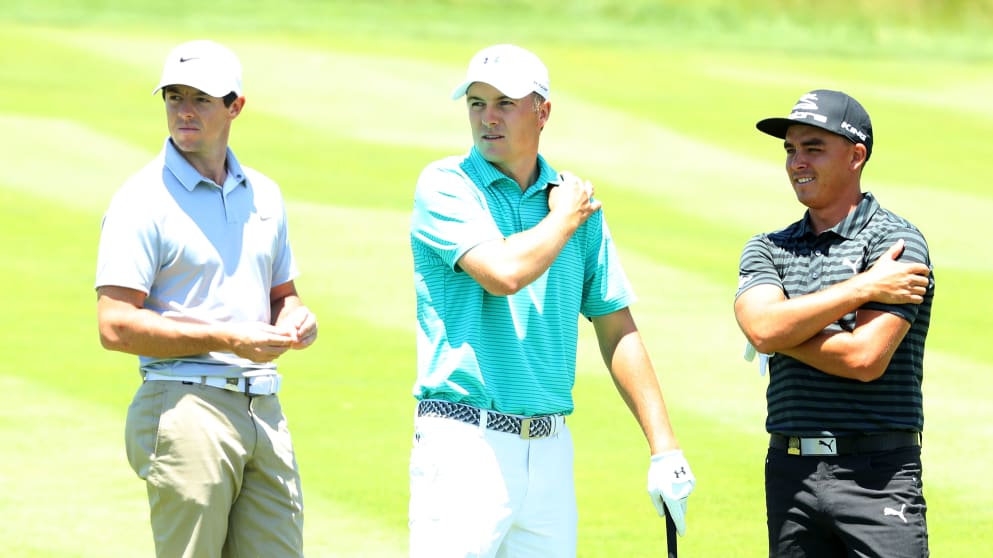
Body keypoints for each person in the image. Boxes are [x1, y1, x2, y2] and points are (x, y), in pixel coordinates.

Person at [408, 43, 695, 557]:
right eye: (476, 103)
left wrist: (664, 446)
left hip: (550, 450)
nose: (487, 118)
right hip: (464, 444)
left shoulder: (576, 205)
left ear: (543, 112)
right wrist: (563, 216)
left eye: (504, 103)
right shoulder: (448, 185)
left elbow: (616, 328)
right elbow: (503, 273)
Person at [95, 39, 317, 558]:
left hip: (263, 406)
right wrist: (227, 337)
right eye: (174, 96)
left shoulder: (264, 193)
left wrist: (298, 319)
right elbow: (114, 324)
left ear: (235, 106)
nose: (184, 110)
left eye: (200, 98)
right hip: (183, 406)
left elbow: (283, 294)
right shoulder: (141, 200)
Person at [734, 89, 934, 557]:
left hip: (879, 476)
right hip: (791, 474)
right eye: (790, 150)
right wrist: (862, 289)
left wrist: (782, 330)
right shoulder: (768, 247)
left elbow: (864, 357)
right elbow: (762, 328)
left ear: (856, 155)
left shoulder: (897, 241)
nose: (797, 162)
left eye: (813, 148)